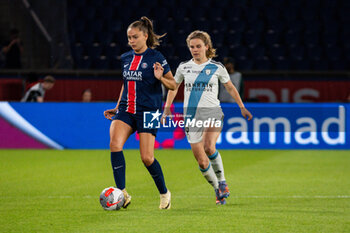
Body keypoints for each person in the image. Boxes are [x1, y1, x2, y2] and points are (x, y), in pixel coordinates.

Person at [162, 30, 252, 205]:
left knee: (209, 147)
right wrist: (167, 109)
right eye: (192, 47)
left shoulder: (216, 67)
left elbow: (231, 88)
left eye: (198, 46)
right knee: (202, 161)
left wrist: (242, 107)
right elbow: (174, 87)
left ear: (206, 47)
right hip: (191, 116)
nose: (195, 50)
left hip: (212, 112)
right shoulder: (183, 67)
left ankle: (223, 182)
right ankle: (218, 189)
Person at [103, 16, 176, 209]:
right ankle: (122, 194)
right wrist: (118, 106)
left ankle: (164, 193)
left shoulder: (157, 58)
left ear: (145, 36)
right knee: (115, 144)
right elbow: (126, 84)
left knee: (147, 158)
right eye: (129, 38)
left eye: (134, 37)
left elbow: (173, 84)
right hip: (127, 109)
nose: (131, 41)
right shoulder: (126, 58)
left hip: (149, 111)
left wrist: (161, 78)